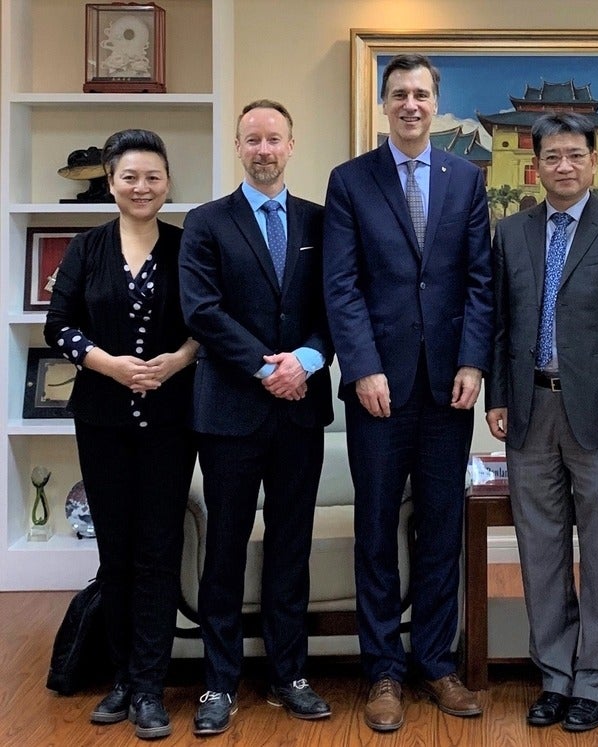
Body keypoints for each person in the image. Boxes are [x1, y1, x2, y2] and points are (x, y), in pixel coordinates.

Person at [322, 54, 492, 732]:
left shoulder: (465, 179)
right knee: (375, 528)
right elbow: (340, 284)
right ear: (384, 103)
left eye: (422, 93)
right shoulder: (350, 181)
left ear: (436, 103)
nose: (412, 104)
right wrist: (361, 367)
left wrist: (475, 363)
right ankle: (382, 669)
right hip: (378, 388)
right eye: (400, 94)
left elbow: (480, 279)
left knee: (440, 524)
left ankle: (436, 661)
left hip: (449, 386)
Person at [485, 112, 598, 733]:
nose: (563, 166)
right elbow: (501, 324)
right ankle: (555, 676)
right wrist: (497, 397)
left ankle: (596, 680)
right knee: (541, 551)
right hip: (530, 410)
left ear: (592, 159)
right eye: (552, 156)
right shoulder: (514, 231)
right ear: (538, 162)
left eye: (574, 155)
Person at [179, 100, 334, 735]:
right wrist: (267, 368)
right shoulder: (206, 222)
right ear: (237, 147)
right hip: (231, 412)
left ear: (292, 145)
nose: (264, 149)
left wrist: (306, 359)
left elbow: (341, 304)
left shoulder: (323, 222)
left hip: (300, 414)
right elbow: (202, 310)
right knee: (225, 547)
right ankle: (219, 682)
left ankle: (290, 674)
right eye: (252, 140)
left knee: (290, 546)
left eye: (274, 138)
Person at [44, 129, 197, 740]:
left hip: (169, 422)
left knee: (158, 552)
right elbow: (59, 326)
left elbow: (206, 323)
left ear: (167, 184)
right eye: (129, 177)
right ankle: (121, 680)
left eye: (153, 177)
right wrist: (107, 363)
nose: (142, 187)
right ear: (111, 184)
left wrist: (177, 360)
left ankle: (151, 688)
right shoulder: (85, 249)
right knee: (115, 554)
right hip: (103, 421)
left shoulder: (188, 247)